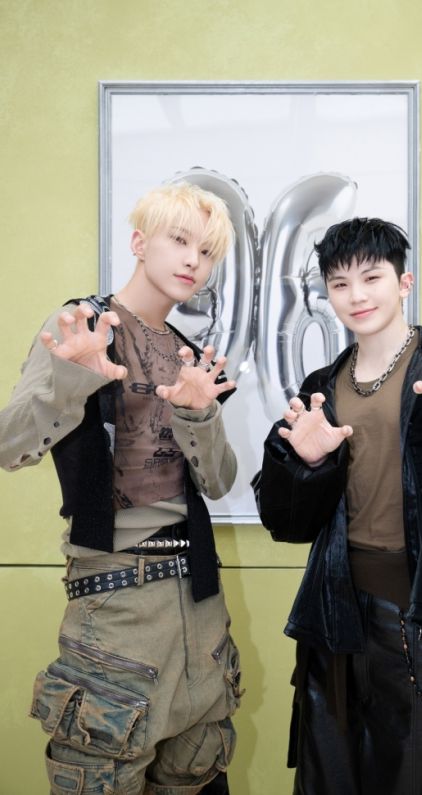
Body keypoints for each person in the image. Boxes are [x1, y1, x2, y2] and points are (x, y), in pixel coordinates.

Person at [252, 217, 422, 795]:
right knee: (336, 776)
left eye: (371, 277)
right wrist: (304, 466)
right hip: (335, 613)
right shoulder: (321, 386)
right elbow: (285, 522)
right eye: (340, 283)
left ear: (404, 282)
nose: (356, 295)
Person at [0, 182, 244, 795]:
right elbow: (9, 448)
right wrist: (70, 378)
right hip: (115, 601)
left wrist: (199, 414)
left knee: (197, 778)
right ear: (139, 242)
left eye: (207, 252)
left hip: (200, 601)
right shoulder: (84, 326)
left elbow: (218, 482)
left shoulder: (191, 356)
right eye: (180, 240)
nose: (193, 260)